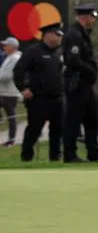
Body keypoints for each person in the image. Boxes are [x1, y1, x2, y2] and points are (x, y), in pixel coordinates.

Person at [63, 4, 98, 162]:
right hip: (77, 83)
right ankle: (70, 155)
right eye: (93, 16)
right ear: (86, 17)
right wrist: (90, 70)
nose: (94, 20)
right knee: (74, 119)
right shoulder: (74, 34)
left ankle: (94, 153)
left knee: (92, 119)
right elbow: (73, 59)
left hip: (85, 84)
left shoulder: (82, 34)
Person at [12, 24, 65, 161]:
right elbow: (18, 71)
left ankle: (55, 158)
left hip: (57, 98)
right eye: (57, 34)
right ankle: (27, 158)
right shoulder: (33, 51)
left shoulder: (59, 53)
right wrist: (23, 88)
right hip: (38, 99)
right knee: (34, 130)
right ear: (48, 34)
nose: (60, 38)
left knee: (57, 131)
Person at [1, 37, 22, 147]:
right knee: (10, 116)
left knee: (11, 116)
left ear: (12, 47)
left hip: (10, 92)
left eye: (6, 45)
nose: (4, 47)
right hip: (4, 91)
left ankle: (11, 140)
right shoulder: (9, 57)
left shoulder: (15, 58)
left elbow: (7, 76)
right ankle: (11, 139)